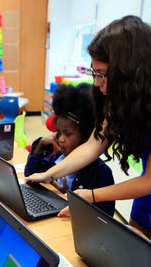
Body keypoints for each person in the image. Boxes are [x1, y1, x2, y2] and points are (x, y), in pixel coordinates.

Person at [25, 15, 151, 234]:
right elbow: (93, 145)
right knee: (139, 246)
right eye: (95, 73)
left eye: (102, 74)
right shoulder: (128, 94)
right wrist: (50, 173)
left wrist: (92, 195)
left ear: (130, 71)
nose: (96, 82)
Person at [23, 84, 116, 217]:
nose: (61, 139)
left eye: (67, 133)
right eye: (58, 133)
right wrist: (41, 144)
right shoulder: (58, 159)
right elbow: (30, 175)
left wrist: (68, 198)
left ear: (85, 134)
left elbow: (105, 217)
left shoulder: (101, 173)